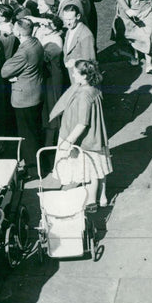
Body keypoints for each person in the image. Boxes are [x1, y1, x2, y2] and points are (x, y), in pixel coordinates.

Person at [48, 59, 112, 211]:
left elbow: (82, 123)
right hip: (96, 136)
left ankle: (91, 203)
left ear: (84, 76)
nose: (73, 75)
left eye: (76, 73)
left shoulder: (83, 95)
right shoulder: (92, 87)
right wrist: (74, 65)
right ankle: (102, 197)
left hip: (86, 140)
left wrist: (68, 141)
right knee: (100, 167)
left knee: (89, 173)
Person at [0, 17, 44, 171]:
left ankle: (33, 167)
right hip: (35, 91)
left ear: (18, 31)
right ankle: (38, 162)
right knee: (34, 130)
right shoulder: (36, 42)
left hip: (24, 97)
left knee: (27, 134)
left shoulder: (23, 52)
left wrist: (12, 66)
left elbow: (4, 71)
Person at [61, 3, 96, 85]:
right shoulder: (69, 30)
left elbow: (89, 62)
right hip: (73, 75)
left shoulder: (86, 35)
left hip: (82, 78)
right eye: (65, 19)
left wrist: (75, 61)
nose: (68, 23)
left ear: (78, 17)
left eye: (70, 19)